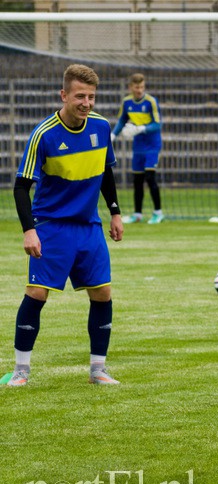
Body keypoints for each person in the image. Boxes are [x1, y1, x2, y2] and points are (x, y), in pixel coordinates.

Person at [9, 64, 123, 387]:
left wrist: (115, 211)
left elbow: (106, 171)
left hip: (89, 226)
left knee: (102, 293)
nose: (86, 103)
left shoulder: (101, 127)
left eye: (91, 96)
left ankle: (98, 369)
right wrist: (29, 230)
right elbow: (21, 186)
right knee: (37, 293)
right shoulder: (43, 134)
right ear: (64, 95)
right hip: (52, 226)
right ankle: (21, 370)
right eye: (79, 96)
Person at [111, 72, 164, 225]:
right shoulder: (127, 102)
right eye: (136, 87)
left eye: (141, 87)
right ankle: (137, 214)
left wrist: (140, 128)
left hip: (152, 145)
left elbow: (157, 124)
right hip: (138, 145)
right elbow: (122, 121)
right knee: (137, 180)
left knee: (150, 177)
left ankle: (158, 213)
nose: (139, 90)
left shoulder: (151, 102)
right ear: (131, 87)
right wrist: (113, 135)